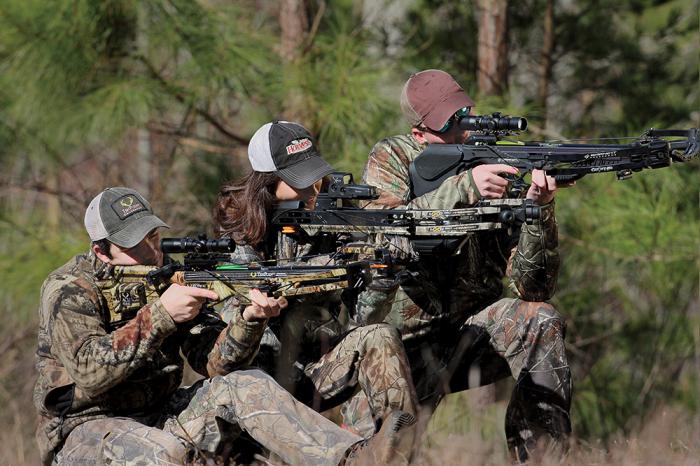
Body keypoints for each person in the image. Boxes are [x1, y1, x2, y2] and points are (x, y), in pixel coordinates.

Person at [33, 186, 413, 466]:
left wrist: (249, 320)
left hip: (163, 414)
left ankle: (351, 459)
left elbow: (214, 364)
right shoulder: (69, 290)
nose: (152, 250)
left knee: (246, 384)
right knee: (167, 454)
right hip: (85, 430)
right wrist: (161, 316)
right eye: (135, 244)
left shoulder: (165, 277)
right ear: (101, 250)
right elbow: (89, 372)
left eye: (153, 236)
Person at [354, 69, 572, 462]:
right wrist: (466, 186)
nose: (462, 131)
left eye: (464, 116)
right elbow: (386, 231)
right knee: (380, 453)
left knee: (539, 319)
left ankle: (540, 458)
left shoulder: (495, 163)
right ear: (419, 133)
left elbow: (532, 288)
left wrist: (540, 211)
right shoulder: (393, 157)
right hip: (404, 348)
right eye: (448, 126)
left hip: (471, 335)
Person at [213, 121, 418, 442]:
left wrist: (382, 279)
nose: (314, 188)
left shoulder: (332, 221)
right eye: (299, 180)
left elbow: (363, 320)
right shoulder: (238, 235)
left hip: (321, 366)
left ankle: (397, 451)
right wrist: (256, 312)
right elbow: (227, 352)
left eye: (315, 174)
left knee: (379, 335)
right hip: (259, 380)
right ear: (267, 183)